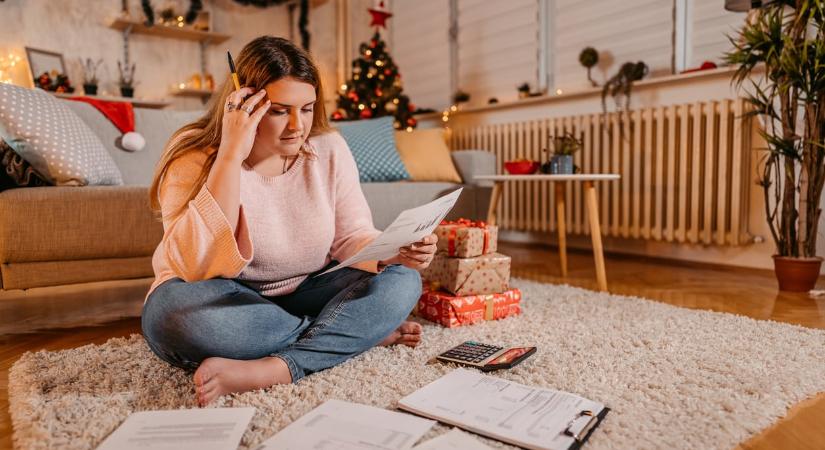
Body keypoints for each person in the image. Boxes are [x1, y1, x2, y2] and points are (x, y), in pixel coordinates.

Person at [141, 36, 437, 407]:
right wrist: (231, 154)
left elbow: (352, 236)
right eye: (279, 111)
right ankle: (351, 333)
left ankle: (277, 367)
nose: (297, 126)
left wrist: (396, 251)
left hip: (308, 288)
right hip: (227, 297)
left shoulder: (328, 148)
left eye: (308, 108)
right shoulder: (194, 153)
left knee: (403, 280)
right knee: (172, 316)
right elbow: (191, 264)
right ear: (244, 103)